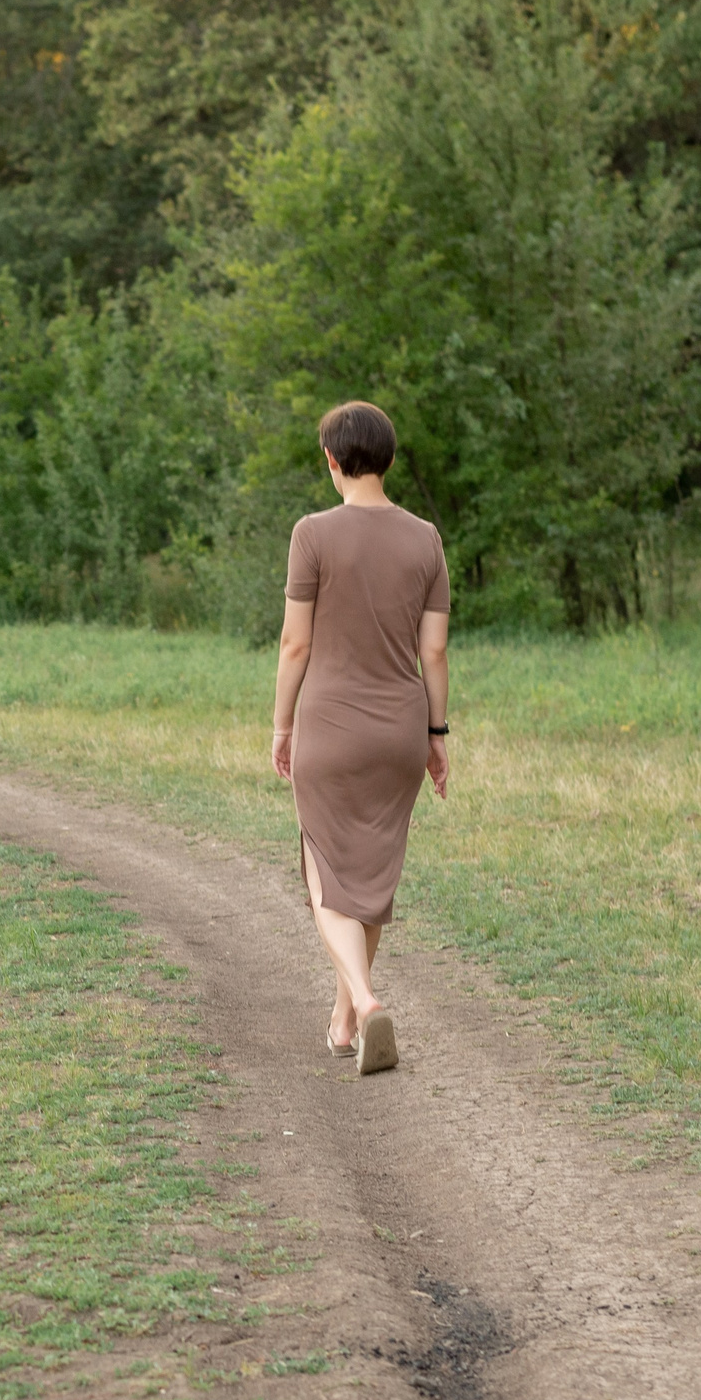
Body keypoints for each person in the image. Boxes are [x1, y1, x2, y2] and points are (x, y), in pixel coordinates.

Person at [268, 400, 451, 1076]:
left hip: (331, 724)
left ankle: (368, 1001)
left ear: (332, 462)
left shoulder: (312, 534)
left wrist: (282, 725)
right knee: (369, 872)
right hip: (401, 726)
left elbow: (296, 643)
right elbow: (433, 654)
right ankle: (344, 1020)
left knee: (326, 869)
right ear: (392, 459)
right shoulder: (426, 538)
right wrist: (436, 734)